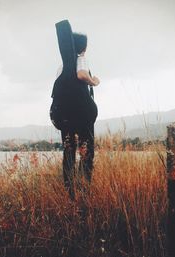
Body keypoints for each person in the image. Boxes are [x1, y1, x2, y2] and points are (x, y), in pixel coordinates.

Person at [56, 33, 100, 199]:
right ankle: (84, 190)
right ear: (84, 47)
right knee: (87, 152)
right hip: (81, 115)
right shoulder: (81, 58)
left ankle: (69, 193)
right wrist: (94, 81)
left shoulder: (62, 66)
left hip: (65, 115)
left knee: (69, 152)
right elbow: (82, 74)